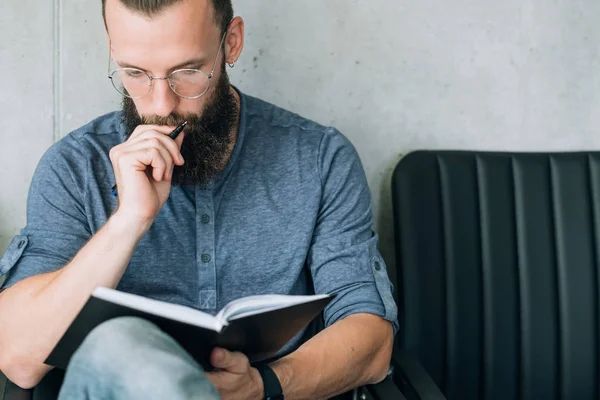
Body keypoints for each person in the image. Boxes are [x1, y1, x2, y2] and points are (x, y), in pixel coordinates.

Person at [0, 0, 398, 398]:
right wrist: (128, 221)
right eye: (135, 73)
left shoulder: (318, 158)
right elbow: (20, 359)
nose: (160, 106)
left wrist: (264, 386)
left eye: (187, 72)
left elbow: (372, 343)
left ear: (232, 43)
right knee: (118, 343)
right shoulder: (73, 166)